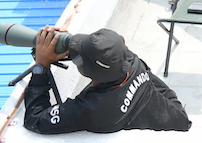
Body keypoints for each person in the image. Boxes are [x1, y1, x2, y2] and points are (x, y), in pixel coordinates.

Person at [23, 26, 191, 134]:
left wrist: (41, 66)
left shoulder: (91, 108)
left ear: (82, 71)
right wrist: (73, 45)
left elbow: (35, 119)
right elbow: (107, 54)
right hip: (177, 119)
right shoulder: (130, 62)